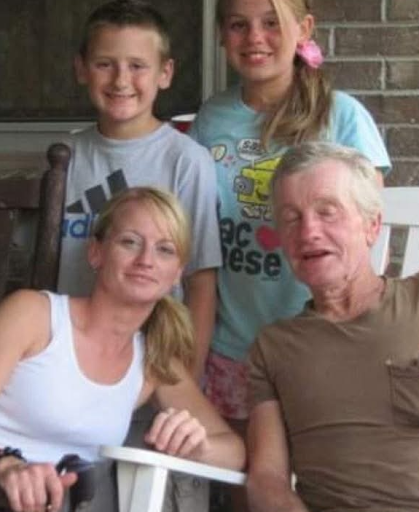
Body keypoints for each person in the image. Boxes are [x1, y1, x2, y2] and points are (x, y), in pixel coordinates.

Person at [247, 141, 419, 512]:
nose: (309, 231)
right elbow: (267, 477)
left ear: (372, 226)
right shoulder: (274, 347)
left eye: (327, 213)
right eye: (291, 218)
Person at [189, 0, 391, 432]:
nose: (255, 38)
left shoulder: (342, 116)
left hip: (322, 342)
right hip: (235, 342)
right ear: (221, 34)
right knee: (240, 467)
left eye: (271, 23)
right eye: (238, 25)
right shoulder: (212, 118)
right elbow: (199, 236)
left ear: (304, 29)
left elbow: (366, 236)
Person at [0, 187, 245, 512]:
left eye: (164, 250)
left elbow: (234, 452)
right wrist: (7, 467)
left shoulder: (152, 359)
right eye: (130, 242)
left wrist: (197, 445)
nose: (146, 260)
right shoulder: (34, 314)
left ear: (177, 274)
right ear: (96, 253)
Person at [58, 0, 219, 381]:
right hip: (68, 358)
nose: (120, 80)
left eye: (137, 66)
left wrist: (188, 378)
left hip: (153, 364)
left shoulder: (186, 161)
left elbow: (201, 281)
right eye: (105, 64)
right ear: (81, 68)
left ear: (165, 73)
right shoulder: (64, 156)